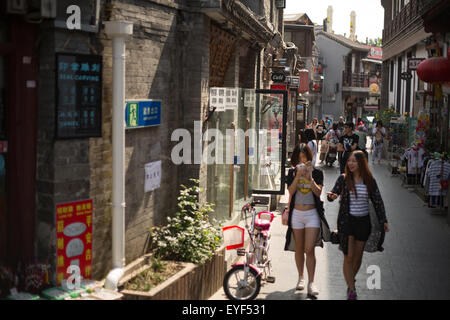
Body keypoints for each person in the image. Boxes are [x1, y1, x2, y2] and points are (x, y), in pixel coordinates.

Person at [327, 151, 389, 300]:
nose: (351, 164)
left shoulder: (369, 180)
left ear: (362, 163)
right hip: (347, 221)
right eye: (349, 161)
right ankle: (352, 289)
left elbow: (378, 201)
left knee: (358, 256)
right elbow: (333, 195)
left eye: (354, 161)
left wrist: (384, 220)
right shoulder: (343, 179)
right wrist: (332, 196)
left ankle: (350, 281)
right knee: (348, 256)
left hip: (363, 222)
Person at [284, 144, 331, 297]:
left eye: (305, 158)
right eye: (299, 159)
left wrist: (309, 178)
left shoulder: (317, 173)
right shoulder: (292, 173)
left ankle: (311, 282)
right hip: (297, 213)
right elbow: (290, 191)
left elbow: (318, 193)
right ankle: (300, 278)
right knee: (299, 248)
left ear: (310, 159)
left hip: (312, 214)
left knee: (309, 249)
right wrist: (298, 175)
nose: (302, 162)